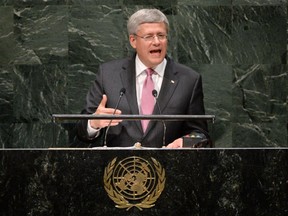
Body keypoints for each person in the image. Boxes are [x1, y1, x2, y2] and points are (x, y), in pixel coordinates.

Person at [77, 8, 209, 148]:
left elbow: (200, 134)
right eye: (149, 37)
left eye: (161, 35)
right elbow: (82, 130)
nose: (157, 42)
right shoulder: (108, 74)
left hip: (167, 167)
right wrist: (94, 123)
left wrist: (186, 142)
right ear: (133, 41)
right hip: (119, 167)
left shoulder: (188, 79)